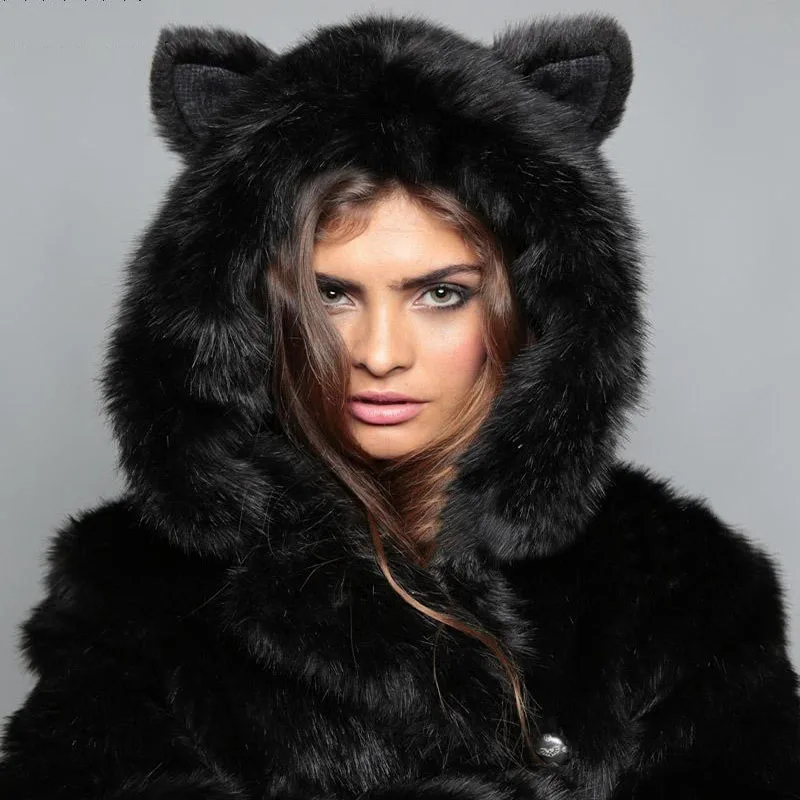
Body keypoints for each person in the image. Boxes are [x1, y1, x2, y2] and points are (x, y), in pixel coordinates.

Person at [1, 10, 799, 800]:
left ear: (533, 310)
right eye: (332, 296)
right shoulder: (133, 591)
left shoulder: (680, 591)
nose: (380, 354)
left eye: (441, 294)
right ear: (249, 314)